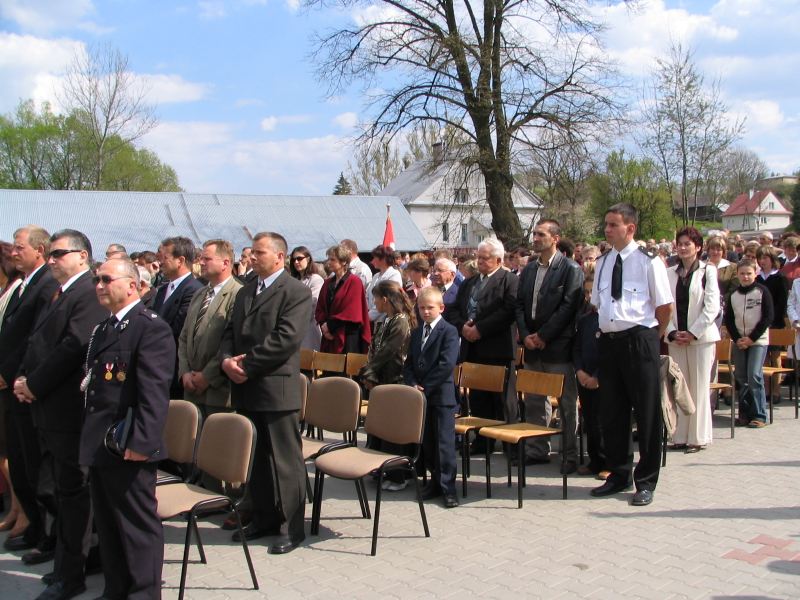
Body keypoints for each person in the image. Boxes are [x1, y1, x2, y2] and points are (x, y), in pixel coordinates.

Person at [14, 229, 107, 600]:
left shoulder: (88, 292)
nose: (51, 260)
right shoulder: (60, 291)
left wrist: (34, 384)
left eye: (59, 254)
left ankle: (72, 575)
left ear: (82, 256)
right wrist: (23, 377)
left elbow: (74, 346)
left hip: (68, 411)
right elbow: (37, 341)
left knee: (73, 494)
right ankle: (75, 561)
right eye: (50, 254)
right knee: (60, 491)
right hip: (48, 408)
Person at [80, 257, 175, 599]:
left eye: (107, 279)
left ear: (132, 285)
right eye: (97, 279)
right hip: (101, 443)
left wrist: (141, 443)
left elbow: (154, 393)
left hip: (127, 444)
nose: (99, 285)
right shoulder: (105, 327)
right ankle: (115, 590)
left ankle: (144, 594)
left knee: (136, 529)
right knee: (108, 526)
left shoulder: (149, 327)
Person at [220, 232, 311, 554]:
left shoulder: (295, 291)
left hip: (275, 386)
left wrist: (246, 365)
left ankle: (292, 527)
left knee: (285, 460)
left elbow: (285, 338)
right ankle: (263, 517)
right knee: (256, 458)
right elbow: (230, 331)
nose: (252, 257)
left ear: (279, 257)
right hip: (246, 386)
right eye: (252, 253)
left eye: (259, 253)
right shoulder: (246, 290)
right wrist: (226, 361)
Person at [590, 203, 673, 507]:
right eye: (606, 224)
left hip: (639, 339)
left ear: (630, 228)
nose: (607, 230)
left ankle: (646, 480)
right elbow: (598, 303)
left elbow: (664, 307)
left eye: (613, 225)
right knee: (612, 411)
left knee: (647, 412)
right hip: (609, 341)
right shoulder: (603, 262)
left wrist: (652, 336)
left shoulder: (649, 262)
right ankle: (619, 473)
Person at [0, 226, 60, 556]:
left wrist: (11, 375)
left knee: (35, 466)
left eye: (19, 247)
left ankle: (45, 532)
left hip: (25, 387)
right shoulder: (25, 284)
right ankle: (34, 526)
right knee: (21, 461)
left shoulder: (46, 285)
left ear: (39, 250)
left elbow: (35, 340)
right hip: (14, 387)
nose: (13, 252)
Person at [515, 219, 584, 471]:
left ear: (555, 238)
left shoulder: (570, 269)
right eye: (534, 234)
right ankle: (537, 449)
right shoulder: (529, 269)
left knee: (566, 404)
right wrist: (526, 335)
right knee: (535, 400)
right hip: (532, 347)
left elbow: (568, 307)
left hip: (557, 347)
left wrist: (543, 335)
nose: (535, 238)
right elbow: (519, 304)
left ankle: (569, 454)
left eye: (541, 234)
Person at [446, 238, 518, 439]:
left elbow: (508, 310)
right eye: (478, 257)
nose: (480, 262)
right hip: (473, 348)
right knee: (478, 398)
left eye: (485, 258)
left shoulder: (509, 280)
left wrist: (480, 329)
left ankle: (507, 442)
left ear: (498, 260)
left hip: (497, 348)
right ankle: (481, 441)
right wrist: (463, 327)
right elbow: (454, 310)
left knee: (502, 400)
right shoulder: (469, 282)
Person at [403, 287, 460, 508]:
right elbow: (409, 363)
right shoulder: (417, 332)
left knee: (444, 443)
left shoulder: (449, 331)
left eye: (430, 308)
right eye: (421, 308)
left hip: (440, 396)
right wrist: (412, 383)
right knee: (428, 442)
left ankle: (448, 488)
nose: (425, 312)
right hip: (422, 397)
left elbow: (446, 365)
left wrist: (425, 387)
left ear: (441, 308)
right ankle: (434, 482)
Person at [665, 227, 720, 453]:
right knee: (679, 387)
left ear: (698, 247)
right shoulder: (669, 272)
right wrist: (672, 332)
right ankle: (679, 435)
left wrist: (693, 332)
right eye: (680, 243)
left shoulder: (708, 271)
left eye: (688, 243)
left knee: (698, 388)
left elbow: (712, 307)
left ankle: (698, 437)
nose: (683, 247)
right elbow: (663, 306)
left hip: (701, 339)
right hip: (676, 339)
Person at [178, 240, 242, 422]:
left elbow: (232, 341)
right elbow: (184, 337)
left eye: (207, 259)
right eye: (201, 258)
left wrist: (207, 376)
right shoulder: (200, 294)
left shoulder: (238, 294)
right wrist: (184, 372)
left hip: (218, 394)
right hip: (191, 390)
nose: (201, 263)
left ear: (225, 263)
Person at [359, 281, 415, 491]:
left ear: (385, 299)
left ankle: (398, 474)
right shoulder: (386, 320)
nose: (374, 303)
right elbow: (375, 349)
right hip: (382, 379)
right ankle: (380, 468)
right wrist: (370, 373)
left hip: (395, 379)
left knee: (393, 429)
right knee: (380, 427)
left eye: (375, 299)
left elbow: (389, 351)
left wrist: (369, 371)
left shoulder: (401, 321)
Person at [724, 258, 773, 429]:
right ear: (737, 274)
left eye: (749, 273)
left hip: (758, 340)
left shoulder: (762, 291)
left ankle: (759, 415)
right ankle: (745, 413)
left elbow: (768, 317)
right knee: (741, 377)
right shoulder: (733, 295)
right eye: (742, 273)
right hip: (739, 341)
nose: (745, 277)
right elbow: (729, 320)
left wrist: (751, 338)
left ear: (755, 274)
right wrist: (738, 338)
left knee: (754, 375)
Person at [152, 236, 204, 398]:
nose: (160, 261)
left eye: (164, 257)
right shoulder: (162, 290)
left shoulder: (194, 290)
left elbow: (179, 329)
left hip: (174, 368)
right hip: (157, 365)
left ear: (180, 260)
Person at [0, 241, 26, 537]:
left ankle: (23, 512)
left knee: (11, 452)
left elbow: (22, 339)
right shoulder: (7, 291)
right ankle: (16, 509)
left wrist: (7, 374)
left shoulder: (20, 289)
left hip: (11, 383)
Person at [572, 269, 607, 479]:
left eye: (593, 291)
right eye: (586, 292)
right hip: (584, 376)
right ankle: (595, 460)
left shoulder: (610, 320)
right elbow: (576, 348)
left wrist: (597, 376)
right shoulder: (585, 319)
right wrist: (579, 371)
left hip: (602, 378)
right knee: (591, 421)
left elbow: (609, 352)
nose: (589, 296)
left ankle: (608, 462)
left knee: (604, 422)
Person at [315, 244, 371, 354]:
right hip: (329, 336)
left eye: (333, 260)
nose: (329, 262)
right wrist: (324, 326)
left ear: (344, 262)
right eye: (328, 259)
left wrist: (329, 326)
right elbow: (320, 307)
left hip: (348, 338)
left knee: (345, 365)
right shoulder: (327, 283)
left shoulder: (354, 282)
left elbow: (351, 312)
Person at [289, 246, 325, 351]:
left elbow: (312, 304)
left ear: (308, 259)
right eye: (294, 260)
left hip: (309, 329)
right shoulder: (292, 280)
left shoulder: (316, 279)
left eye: (299, 258)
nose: (296, 262)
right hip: (292, 329)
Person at [365, 245, 403, 323]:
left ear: (384, 259)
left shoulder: (394, 275)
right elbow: (368, 296)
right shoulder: (376, 276)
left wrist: (368, 317)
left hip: (386, 320)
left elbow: (388, 300)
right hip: (373, 320)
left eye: (375, 258)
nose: (372, 261)